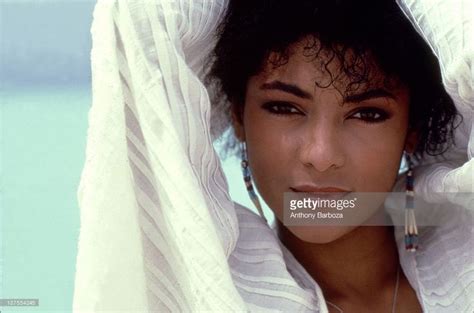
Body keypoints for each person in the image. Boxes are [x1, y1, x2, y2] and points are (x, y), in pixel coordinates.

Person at [73, 0, 473, 312]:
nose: (321, 155)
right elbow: (145, 21)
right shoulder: (207, 294)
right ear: (238, 115)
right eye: (284, 107)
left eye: (367, 113)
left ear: (412, 130)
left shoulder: (464, 262)